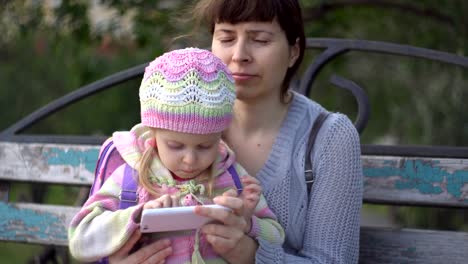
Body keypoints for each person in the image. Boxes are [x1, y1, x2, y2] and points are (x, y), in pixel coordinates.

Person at [111, 0, 363, 263]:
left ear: (293, 51)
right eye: (227, 38)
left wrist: (248, 254)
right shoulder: (182, 119)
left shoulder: (329, 137)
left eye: (261, 39)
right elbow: (114, 223)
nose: (239, 54)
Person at [68, 47, 285, 263]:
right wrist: (135, 217)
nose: (190, 159)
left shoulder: (234, 178)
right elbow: (81, 239)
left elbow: (277, 237)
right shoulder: (130, 179)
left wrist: (247, 222)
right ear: (153, 133)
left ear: (221, 136)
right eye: (175, 145)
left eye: (204, 146)